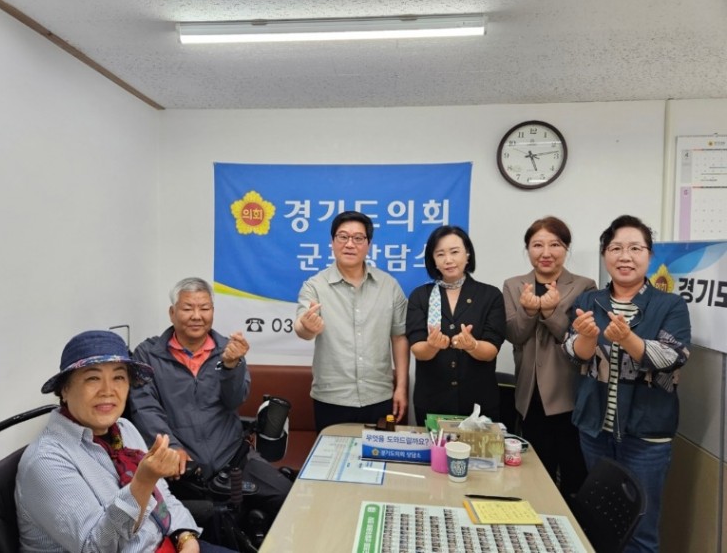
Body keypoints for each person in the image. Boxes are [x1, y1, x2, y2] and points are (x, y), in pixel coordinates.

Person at [15, 330, 233, 552]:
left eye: (119, 377)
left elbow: (163, 496)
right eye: (93, 378)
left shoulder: (124, 429)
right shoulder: (45, 461)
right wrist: (143, 482)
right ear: (64, 389)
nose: (108, 391)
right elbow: (97, 547)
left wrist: (186, 537)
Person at [564, 215, 691, 553]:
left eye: (635, 248)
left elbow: (673, 356)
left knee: (640, 530)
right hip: (595, 431)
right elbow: (573, 353)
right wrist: (588, 339)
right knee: (598, 522)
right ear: (605, 255)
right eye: (616, 248)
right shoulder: (590, 301)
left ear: (649, 256)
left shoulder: (670, 304)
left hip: (646, 435)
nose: (625, 256)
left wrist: (629, 339)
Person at [128, 277, 291, 529]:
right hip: (183, 470)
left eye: (204, 308)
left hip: (234, 459)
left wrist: (231, 366)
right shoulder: (147, 355)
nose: (197, 316)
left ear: (212, 312)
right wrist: (170, 447)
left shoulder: (228, 349)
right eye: (188, 308)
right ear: (172, 313)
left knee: (285, 496)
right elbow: (145, 408)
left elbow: (235, 399)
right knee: (198, 524)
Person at [502, 216, 596, 497]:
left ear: (566, 248)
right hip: (529, 395)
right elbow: (514, 335)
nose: (546, 252)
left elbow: (579, 339)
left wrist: (551, 313)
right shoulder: (513, 285)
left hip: (568, 395)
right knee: (533, 477)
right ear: (527, 249)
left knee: (573, 476)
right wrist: (529, 311)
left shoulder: (584, 286)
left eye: (555, 244)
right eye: (537, 245)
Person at [294, 210, 410, 431]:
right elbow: (302, 327)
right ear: (332, 242)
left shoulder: (389, 286)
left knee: (378, 462)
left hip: (379, 396)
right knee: (331, 464)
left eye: (358, 238)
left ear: (368, 244)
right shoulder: (314, 286)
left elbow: (399, 337)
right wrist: (307, 327)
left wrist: (401, 387)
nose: (350, 244)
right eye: (343, 237)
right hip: (332, 398)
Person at [406, 225, 506, 424]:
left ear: (467, 255)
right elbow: (418, 349)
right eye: (440, 254)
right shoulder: (421, 296)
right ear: (433, 260)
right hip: (432, 402)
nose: (448, 260)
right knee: (435, 456)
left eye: (454, 252)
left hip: (478, 403)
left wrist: (473, 345)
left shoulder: (490, 295)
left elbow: (492, 349)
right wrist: (432, 346)